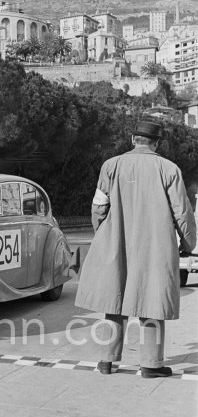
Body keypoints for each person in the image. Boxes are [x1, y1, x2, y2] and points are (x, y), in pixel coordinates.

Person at [75, 121, 196, 378]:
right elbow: (182, 213)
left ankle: (107, 361)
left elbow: (99, 206)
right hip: (155, 246)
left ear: (133, 139)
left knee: (114, 301)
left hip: (117, 241)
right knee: (152, 303)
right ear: (157, 143)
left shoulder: (111, 165)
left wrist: (105, 234)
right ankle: (151, 364)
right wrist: (188, 244)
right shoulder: (169, 169)